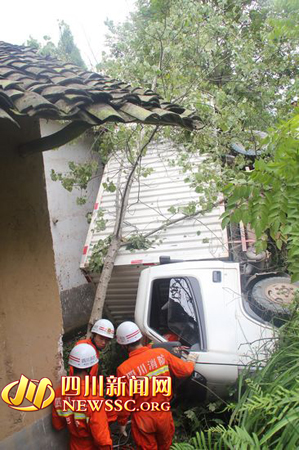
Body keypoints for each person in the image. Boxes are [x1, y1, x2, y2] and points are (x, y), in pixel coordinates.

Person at [115, 321, 196, 450]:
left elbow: (125, 401)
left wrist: (122, 423)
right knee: (165, 446)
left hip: (143, 420)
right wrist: (191, 361)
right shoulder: (161, 354)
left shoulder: (123, 369)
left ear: (123, 346)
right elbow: (185, 370)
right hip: (163, 414)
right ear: (140, 337)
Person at [52, 343, 112, 450]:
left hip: (74, 445)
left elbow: (58, 425)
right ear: (90, 368)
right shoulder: (92, 399)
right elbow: (102, 439)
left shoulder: (59, 393)